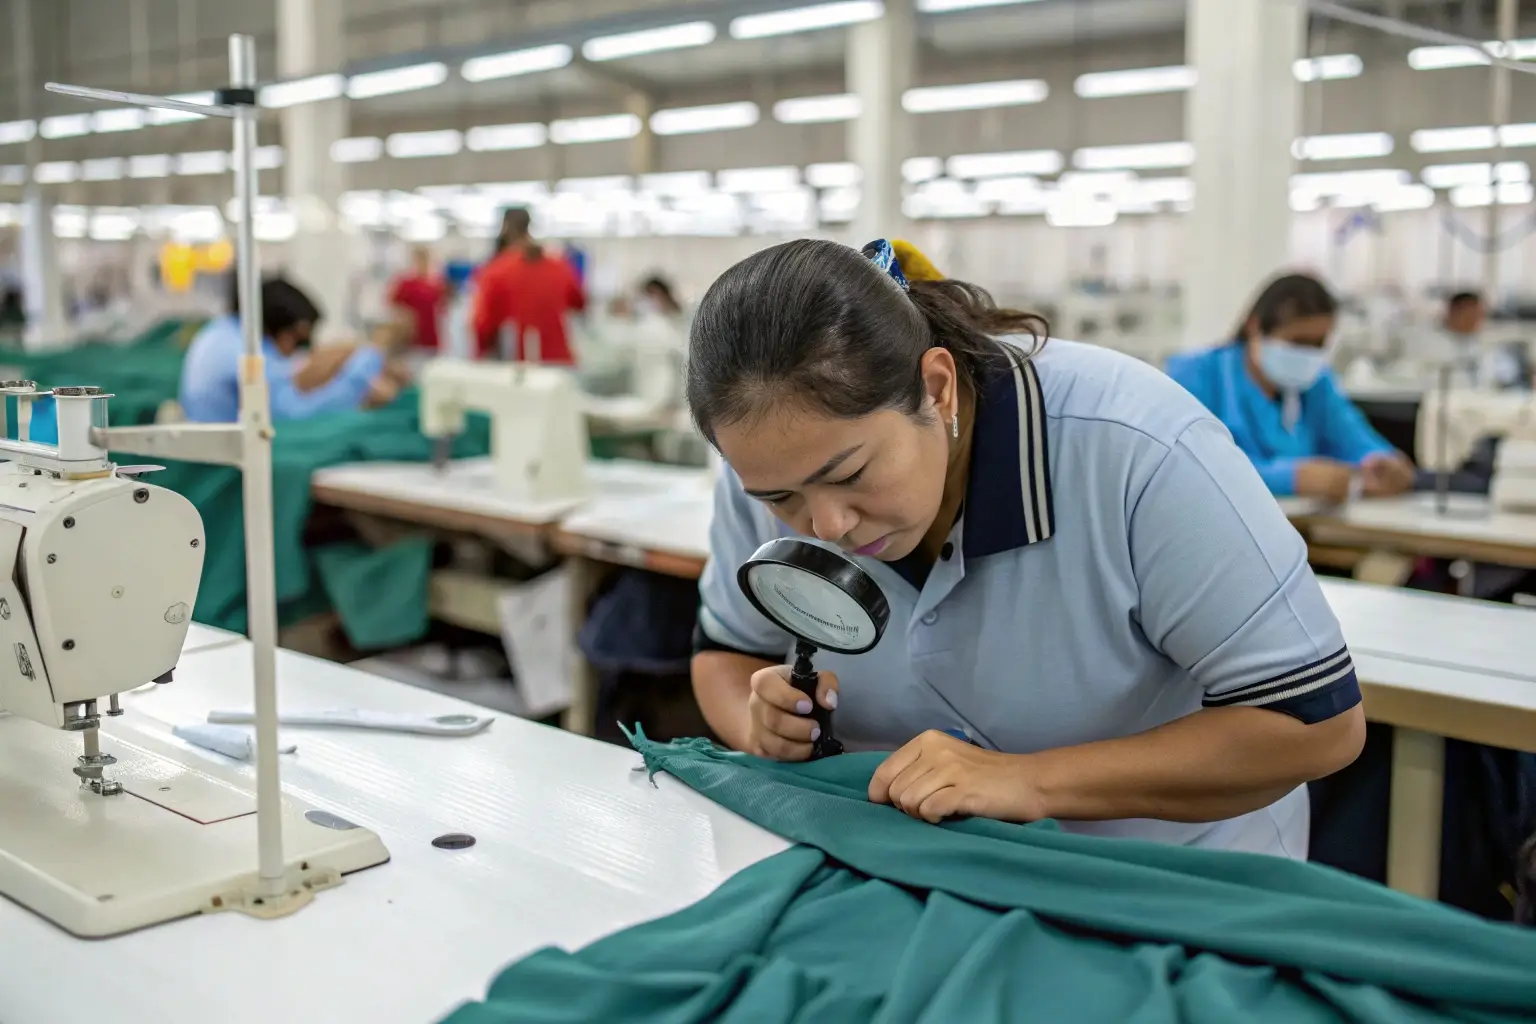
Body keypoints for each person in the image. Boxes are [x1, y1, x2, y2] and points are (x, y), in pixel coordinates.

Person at [688, 238, 1365, 858]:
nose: (826, 524)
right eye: (782, 500)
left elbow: (1316, 724)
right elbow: (723, 652)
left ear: (937, 387)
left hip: (1163, 879)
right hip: (911, 868)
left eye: (851, 475)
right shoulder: (772, 463)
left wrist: (1028, 782)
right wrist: (762, 728)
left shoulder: (1134, 447)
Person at [1166, 273, 1415, 504]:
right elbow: (1195, 465)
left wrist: (1383, 463)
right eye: (1297, 341)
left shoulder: (1317, 384)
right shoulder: (1197, 376)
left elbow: (1354, 439)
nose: (1307, 354)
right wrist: (1292, 479)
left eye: (1318, 344)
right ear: (1255, 326)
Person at [179, 275, 396, 423]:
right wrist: (359, 379)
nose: (297, 351)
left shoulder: (222, 331)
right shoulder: (246, 352)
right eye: (299, 341)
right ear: (284, 331)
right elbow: (295, 415)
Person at [474, 208, 585, 363]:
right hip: (559, 363)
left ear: (504, 228)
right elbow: (580, 303)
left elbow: (482, 326)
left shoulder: (495, 271)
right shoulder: (560, 266)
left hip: (516, 367)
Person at [389, 246, 447, 352]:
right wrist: (405, 318)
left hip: (431, 337)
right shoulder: (406, 284)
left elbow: (442, 307)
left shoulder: (435, 284)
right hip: (411, 338)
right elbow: (393, 305)